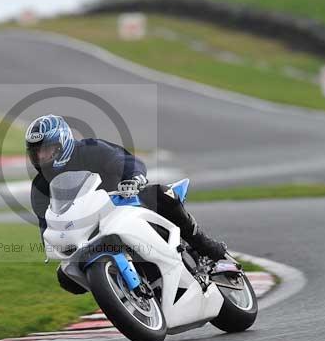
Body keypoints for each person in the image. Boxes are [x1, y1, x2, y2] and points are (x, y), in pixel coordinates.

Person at [26, 114, 227, 292]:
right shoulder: (39, 188)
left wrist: (133, 178)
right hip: (89, 230)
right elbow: (47, 225)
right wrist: (52, 244)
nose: (41, 157)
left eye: (47, 150)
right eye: (36, 153)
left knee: (162, 194)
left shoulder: (90, 150)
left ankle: (203, 246)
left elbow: (122, 160)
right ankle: (121, 289)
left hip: (124, 202)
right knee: (66, 279)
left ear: (63, 143)